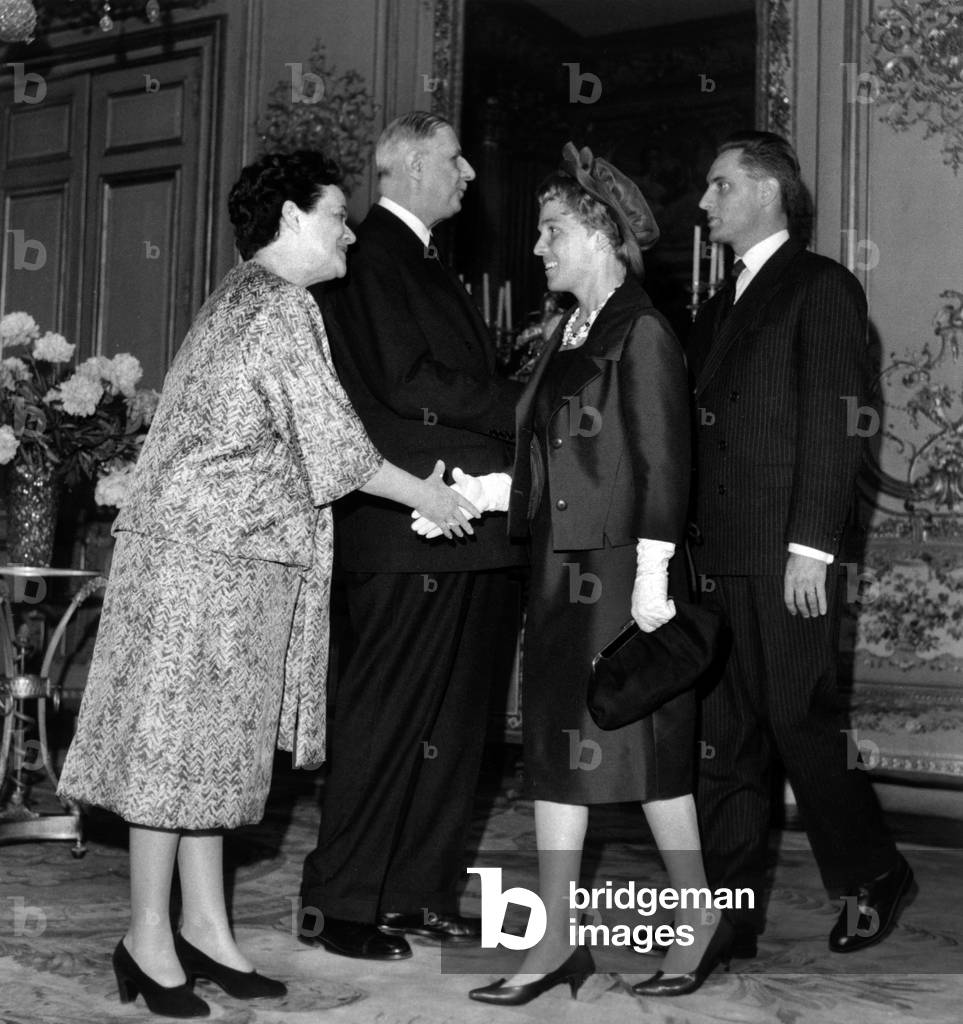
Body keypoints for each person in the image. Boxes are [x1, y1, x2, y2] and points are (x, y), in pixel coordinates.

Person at [56, 150, 476, 1019]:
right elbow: (336, 447)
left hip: (218, 560)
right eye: (337, 216)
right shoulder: (279, 303)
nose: (349, 233)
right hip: (205, 563)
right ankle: (145, 938)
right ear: (290, 218)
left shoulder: (243, 294)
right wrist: (430, 495)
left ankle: (205, 928)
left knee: (210, 753)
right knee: (172, 756)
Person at [415, 142, 732, 1004]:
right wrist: (475, 494)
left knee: (648, 752)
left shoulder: (643, 331)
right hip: (558, 575)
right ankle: (554, 939)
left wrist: (653, 576)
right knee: (557, 757)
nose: (537, 247)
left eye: (551, 230)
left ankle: (697, 915)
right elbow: (545, 457)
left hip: (623, 572)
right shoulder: (566, 333)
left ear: (599, 236)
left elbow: (664, 461)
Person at [296, 111, 525, 961]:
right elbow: (407, 382)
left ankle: (417, 893)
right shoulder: (367, 256)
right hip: (406, 528)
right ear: (412, 165)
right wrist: (530, 404)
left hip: (469, 530)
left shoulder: (423, 259)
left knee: (456, 727)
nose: (468, 174)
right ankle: (342, 901)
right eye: (454, 159)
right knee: (385, 718)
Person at [688, 130, 913, 959]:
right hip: (716, 557)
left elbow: (834, 423)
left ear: (766, 192)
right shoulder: (716, 303)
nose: (703, 202)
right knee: (725, 743)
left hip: (786, 557)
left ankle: (872, 874)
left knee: (798, 722)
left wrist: (810, 547)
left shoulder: (821, 287)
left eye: (719, 185)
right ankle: (728, 917)